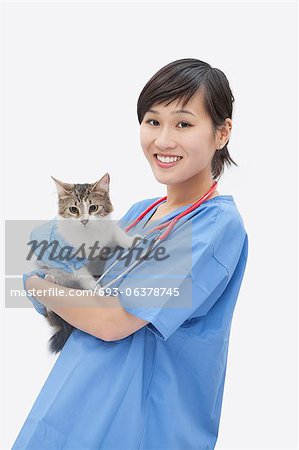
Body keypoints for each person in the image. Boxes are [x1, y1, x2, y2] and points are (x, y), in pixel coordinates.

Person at [12, 58, 248, 450]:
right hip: (68, 407)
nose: (164, 140)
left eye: (184, 124)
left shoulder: (216, 226)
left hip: (136, 426)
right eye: (153, 121)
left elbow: (112, 321)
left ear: (222, 133)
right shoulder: (141, 212)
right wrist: (46, 279)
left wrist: (35, 284)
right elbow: (69, 271)